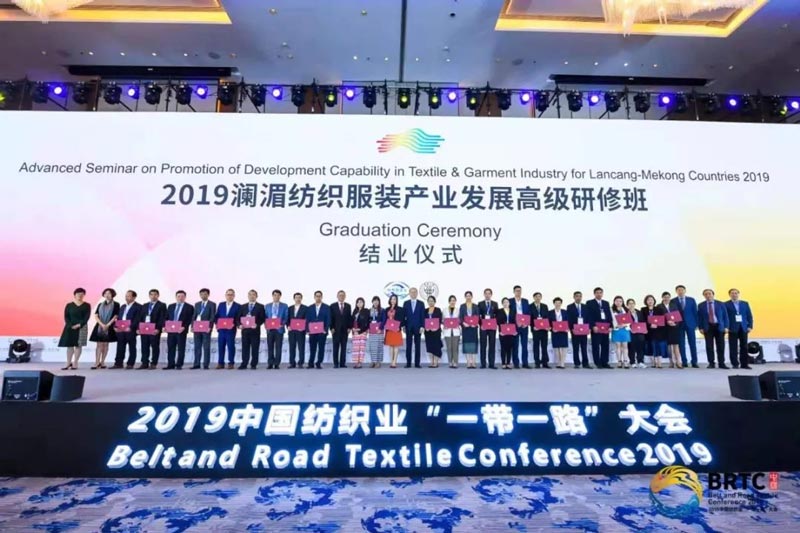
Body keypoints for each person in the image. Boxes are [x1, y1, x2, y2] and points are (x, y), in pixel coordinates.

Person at [58, 287, 91, 370]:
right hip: (70, 327)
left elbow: (86, 317)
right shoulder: (69, 305)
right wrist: (70, 325)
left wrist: (79, 325)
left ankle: (75, 362)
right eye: (78, 294)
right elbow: (66, 317)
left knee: (78, 345)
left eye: (82, 294)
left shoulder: (87, 305)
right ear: (75, 295)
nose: (80, 295)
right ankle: (68, 363)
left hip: (81, 327)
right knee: (69, 346)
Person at [697, 289, 729, 369]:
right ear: (704, 296)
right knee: (709, 346)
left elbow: (725, 316)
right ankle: (711, 363)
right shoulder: (701, 305)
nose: (708, 295)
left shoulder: (721, 304)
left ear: (713, 294)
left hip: (719, 326)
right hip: (708, 327)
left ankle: (721, 363)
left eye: (709, 294)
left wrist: (726, 326)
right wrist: (700, 327)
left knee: (721, 346)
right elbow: (699, 317)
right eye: (706, 294)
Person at [89, 288, 119, 369]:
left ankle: (102, 362)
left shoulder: (116, 304)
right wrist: (102, 324)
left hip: (110, 326)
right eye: (105, 293)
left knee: (106, 344)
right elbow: (96, 315)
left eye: (109, 293)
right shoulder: (100, 304)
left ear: (112, 294)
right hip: (99, 326)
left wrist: (108, 325)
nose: (107, 295)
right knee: (99, 344)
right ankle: (96, 362)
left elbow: (115, 316)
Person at [671, 285, 699, 368]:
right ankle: (684, 361)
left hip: (690, 324)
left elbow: (695, 312)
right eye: (679, 290)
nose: (680, 291)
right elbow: (672, 313)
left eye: (682, 290)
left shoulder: (691, 300)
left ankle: (694, 362)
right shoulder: (673, 301)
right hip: (679, 325)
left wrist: (697, 324)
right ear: (676, 291)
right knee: (681, 344)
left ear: (685, 291)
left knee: (692, 343)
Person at [138, 289, 167, 370]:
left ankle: (154, 363)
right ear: (149, 295)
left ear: (158, 295)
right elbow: (140, 317)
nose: (153, 296)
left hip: (154, 329)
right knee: (144, 346)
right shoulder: (145, 305)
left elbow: (162, 318)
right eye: (151, 294)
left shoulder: (162, 305)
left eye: (155, 294)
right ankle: (144, 363)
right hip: (144, 329)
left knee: (154, 346)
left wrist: (158, 329)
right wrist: (139, 328)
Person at [165, 290, 194, 369]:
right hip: (171, 330)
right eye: (178, 296)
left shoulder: (189, 307)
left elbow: (190, 319)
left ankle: (179, 364)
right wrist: (165, 326)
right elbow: (167, 317)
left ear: (185, 297)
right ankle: (170, 364)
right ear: (176, 297)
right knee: (171, 347)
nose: (180, 298)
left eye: (182, 296)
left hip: (181, 330)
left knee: (181, 348)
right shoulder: (171, 306)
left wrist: (184, 327)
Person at [112, 290, 141, 369]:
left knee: (132, 347)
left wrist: (131, 327)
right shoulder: (123, 306)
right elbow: (119, 318)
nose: (126, 297)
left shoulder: (138, 306)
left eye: (129, 296)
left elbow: (137, 319)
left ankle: (130, 364)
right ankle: (118, 363)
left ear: (134, 297)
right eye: (126, 296)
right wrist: (115, 326)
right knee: (120, 347)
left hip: (130, 330)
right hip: (121, 330)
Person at [726, 288, 753, 370]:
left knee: (744, 346)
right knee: (733, 347)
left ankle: (744, 364)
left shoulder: (745, 303)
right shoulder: (726, 304)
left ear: (738, 294)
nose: (734, 294)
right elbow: (725, 317)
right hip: (732, 328)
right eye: (732, 293)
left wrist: (750, 326)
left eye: (736, 293)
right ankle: (735, 364)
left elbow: (749, 316)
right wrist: (726, 327)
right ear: (729, 295)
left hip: (743, 327)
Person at [238, 290, 265, 369]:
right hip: (245, 331)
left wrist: (257, 324)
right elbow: (238, 318)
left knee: (255, 348)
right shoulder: (243, 306)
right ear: (248, 296)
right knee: (245, 348)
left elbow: (262, 318)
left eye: (253, 294)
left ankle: (254, 364)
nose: (251, 296)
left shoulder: (260, 306)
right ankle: (244, 364)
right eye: (250, 294)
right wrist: (239, 325)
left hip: (255, 331)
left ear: (256, 296)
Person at [587, 287, 612, 369]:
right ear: (594, 294)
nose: (599, 294)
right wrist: (592, 326)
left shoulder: (606, 303)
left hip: (605, 327)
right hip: (596, 327)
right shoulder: (590, 303)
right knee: (596, 345)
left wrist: (610, 326)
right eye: (597, 293)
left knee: (605, 345)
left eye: (600, 292)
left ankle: (605, 362)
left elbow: (609, 315)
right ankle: (597, 362)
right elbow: (589, 316)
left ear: (602, 294)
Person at [191, 288, 216, 370]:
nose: (203, 296)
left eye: (205, 294)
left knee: (206, 347)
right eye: (201, 294)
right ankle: (196, 364)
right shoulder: (197, 304)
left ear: (208, 295)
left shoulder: (212, 304)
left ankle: (206, 364)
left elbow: (212, 316)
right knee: (197, 346)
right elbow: (194, 316)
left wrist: (210, 327)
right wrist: (192, 326)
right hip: (197, 327)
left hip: (206, 328)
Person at [215, 289, 240, 369]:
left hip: (231, 329)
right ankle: (220, 363)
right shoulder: (221, 305)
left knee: (231, 346)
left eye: (231, 295)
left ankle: (231, 363)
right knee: (221, 346)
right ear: (225, 295)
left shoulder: (238, 306)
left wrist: (235, 324)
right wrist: (217, 324)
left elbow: (238, 318)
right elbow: (217, 316)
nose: (229, 296)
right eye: (228, 294)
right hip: (221, 329)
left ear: (234, 296)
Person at [307, 290, 330, 369]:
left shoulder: (326, 307)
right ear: (314, 297)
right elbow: (307, 320)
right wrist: (308, 330)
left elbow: (328, 319)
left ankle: (319, 363)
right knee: (312, 348)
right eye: (317, 296)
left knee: (321, 348)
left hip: (322, 332)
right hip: (312, 332)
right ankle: (310, 363)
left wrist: (325, 330)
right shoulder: (310, 307)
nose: (318, 297)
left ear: (322, 297)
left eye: (319, 296)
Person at [402, 287, 425, 368]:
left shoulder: (421, 303)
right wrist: (403, 326)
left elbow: (422, 316)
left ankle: (417, 363)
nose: (413, 293)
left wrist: (422, 326)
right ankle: (408, 363)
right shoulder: (406, 303)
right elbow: (404, 316)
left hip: (418, 327)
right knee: (408, 346)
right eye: (411, 292)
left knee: (417, 346)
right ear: (409, 293)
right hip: (408, 327)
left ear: (417, 293)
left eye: (415, 292)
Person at [266, 290, 289, 369]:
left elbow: (286, 317)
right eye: (275, 295)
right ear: (272, 296)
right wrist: (266, 325)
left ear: (280, 296)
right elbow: (265, 317)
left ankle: (276, 363)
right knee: (270, 347)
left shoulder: (284, 306)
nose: (276, 296)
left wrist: (282, 324)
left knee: (278, 347)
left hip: (279, 329)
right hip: (270, 329)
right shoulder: (267, 306)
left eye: (278, 295)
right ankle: (270, 363)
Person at [642, 294, 666, 368]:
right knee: (650, 347)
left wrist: (657, 325)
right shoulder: (643, 309)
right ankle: (654, 362)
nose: (650, 301)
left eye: (651, 300)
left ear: (654, 301)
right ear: (646, 301)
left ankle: (659, 363)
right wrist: (650, 325)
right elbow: (642, 320)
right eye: (648, 300)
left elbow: (663, 319)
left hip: (658, 330)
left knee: (658, 346)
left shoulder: (659, 309)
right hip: (648, 331)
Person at [330, 290, 352, 369]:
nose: (341, 297)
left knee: (344, 347)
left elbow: (349, 318)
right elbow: (331, 318)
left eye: (343, 295)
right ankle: (335, 363)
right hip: (335, 330)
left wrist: (349, 327)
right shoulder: (332, 306)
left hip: (345, 330)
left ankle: (342, 363)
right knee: (335, 347)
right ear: (337, 296)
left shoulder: (348, 306)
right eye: (340, 295)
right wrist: (331, 327)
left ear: (345, 296)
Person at [567, 291, 590, 368]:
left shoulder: (585, 306)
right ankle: (576, 363)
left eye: (580, 296)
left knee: (584, 347)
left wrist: (589, 328)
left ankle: (585, 363)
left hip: (584, 329)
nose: (578, 298)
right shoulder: (570, 307)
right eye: (577, 296)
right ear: (574, 297)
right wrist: (571, 329)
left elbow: (588, 318)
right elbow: (569, 319)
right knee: (575, 347)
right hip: (575, 329)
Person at [510, 286, 530, 368]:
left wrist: (526, 323)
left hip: (524, 326)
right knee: (515, 345)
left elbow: (528, 313)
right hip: (515, 326)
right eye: (517, 291)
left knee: (524, 345)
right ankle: (516, 363)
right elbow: (510, 314)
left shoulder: (525, 301)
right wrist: (516, 322)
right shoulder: (510, 301)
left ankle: (525, 363)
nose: (518, 292)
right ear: (514, 292)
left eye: (520, 291)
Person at [478, 288, 498, 369]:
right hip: (483, 327)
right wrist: (480, 324)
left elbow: (497, 315)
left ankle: (491, 364)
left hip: (492, 327)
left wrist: (495, 324)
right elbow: (478, 316)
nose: (487, 295)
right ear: (484, 294)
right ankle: (483, 364)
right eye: (486, 293)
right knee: (483, 345)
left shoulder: (495, 304)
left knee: (492, 345)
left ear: (491, 295)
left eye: (489, 293)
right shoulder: (480, 304)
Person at [459, 291, 479, 369]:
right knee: (467, 344)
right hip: (466, 328)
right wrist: (463, 323)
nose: (468, 297)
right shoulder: (462, 306)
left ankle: (473, 362)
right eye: (467, 296)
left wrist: (476, 323)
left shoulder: (475, 306)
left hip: (473, 328)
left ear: (472, 297)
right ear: (465, 297)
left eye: (469, 296)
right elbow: (460, 317)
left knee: (473, 344)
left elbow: (478, 316)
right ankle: (468, 362)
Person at [530, 292, 550, 369]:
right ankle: (537, 363)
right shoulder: (530, 306)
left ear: (541, 297)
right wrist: (533, 326)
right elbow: (529, 318)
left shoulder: (545, 306)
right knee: (536, 346)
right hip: (536, 330)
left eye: (539, 296)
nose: (538, 298)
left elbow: (547, 317)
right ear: (534, 298)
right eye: (536, 296)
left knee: (544, 346)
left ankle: (545, 363)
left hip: (544, 330)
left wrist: (548, 326)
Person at [288, 292, 308, 369]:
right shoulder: (290, 308)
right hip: (292, 331)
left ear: (301, 298)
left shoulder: (305, 308)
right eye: (296, 297)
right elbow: (287, 319)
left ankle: (300, 363)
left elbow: (307, 319)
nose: (298, 299)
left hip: (301, 331)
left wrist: (304, 327)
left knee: (301, 347)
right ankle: (292, 363)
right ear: (294, 298)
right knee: (292, 347)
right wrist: (288, 326)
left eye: (299, 297)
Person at [663, 291, 682, 369]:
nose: (666, 298)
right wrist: (667, 322)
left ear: (670, 298)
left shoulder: (674, 305)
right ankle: (671, 362)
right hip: (666, 328)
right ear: (662, 298)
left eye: (668, 297)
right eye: (665, 297)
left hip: (674, 327)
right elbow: (659, 318)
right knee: (669, 346)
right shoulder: (659, 306)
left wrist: (675, 323)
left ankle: (678, 362)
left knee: (676, 345)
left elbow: (678, 316)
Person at [610, 295, 631, 368]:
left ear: (622, 302)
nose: (618, 302)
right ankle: (619, 361)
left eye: (620, 301)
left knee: (625, 346)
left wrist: (625, 324)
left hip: (625, 329)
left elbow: (630, 320)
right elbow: (610, 320)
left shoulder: (626, 310)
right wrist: (616, 325)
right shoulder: (611, 310)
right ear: (614, 302)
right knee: (618, 346)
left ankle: (625, 361)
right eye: (617, 301)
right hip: (616, 329)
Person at [383, 294, 404, 368]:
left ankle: (394, 362)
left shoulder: (400, 309)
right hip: (389, 330)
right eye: (392, 299)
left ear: (396, 300)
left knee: (396, 346)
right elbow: (385, 319)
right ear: (390, 300)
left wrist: (399, 326)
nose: (393, 300)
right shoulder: (386, 309)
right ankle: (391, 361)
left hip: (396, 329)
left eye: (394, 299)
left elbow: (402, 320)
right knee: (391, 346)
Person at [496, 297, 517, 369]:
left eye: (507, 302)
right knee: (503, 348)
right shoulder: (499, 311)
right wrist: (500, 331)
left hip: (511, 332)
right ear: (502, 303)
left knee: (509, 348)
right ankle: (503, 363)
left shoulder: (513, 311)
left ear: (509, 303)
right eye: (504, 302)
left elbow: (515, 321)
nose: (505, 303)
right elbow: (498, 322)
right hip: (503, 332)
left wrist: (514, 331)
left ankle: (508, 363)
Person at [423, 295, 443, 368]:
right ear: (427, 302)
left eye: (432, 301)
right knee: (430, 347)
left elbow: (440, 320)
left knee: (436, 346)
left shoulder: (438, 310)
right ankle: (431, 362)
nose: (430, 302)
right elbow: (423, 320)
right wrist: (426, 327)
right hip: (428, 332)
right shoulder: (425, 310)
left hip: (436, 331)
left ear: (435, 302)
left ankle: (436, 362)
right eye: (429, 301)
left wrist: (435, 327)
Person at [627, 298, 646, 369]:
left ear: (634, 304)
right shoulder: (626, 313)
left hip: (640, 331)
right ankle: (632, 362)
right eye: (629, 304)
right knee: (631, 347)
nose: (631, 305)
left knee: (640, 347)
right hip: (631, 332)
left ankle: (640, 361)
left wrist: (644, 329)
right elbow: (625, 323)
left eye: (632, 303)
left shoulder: (639, 312)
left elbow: (643, 321)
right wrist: (630, 329)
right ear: (627, 305)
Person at [549, 297, 568, 368]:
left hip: (564, 331)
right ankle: (558, 362)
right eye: (556, 303)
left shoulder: (565, 311)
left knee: (564, 346)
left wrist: (568, 328)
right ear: (554, 303)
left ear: (561, 304)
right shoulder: (550, 312)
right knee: (556, 347)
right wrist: (551, 329)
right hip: (555, 331)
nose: (558, 304)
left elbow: (568, 321)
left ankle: (562, 363)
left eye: (559, 303)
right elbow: (548, 322)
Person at [351, 297, 370, 368]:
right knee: (356, 348)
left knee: (361, 348)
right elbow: (351, 321)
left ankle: (360, 363)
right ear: (356, 303)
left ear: (363, 303)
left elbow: (367, 322)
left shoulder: (366, 311)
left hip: (362, 332)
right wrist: (352, 328)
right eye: (358, 302)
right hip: (355, 332)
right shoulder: (354, 311)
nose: (359, 303)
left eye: (361, 302)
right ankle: (356, 362)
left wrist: (360, 329)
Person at [443, 295, 460, 368]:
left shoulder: (458, 310)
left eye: (454, 300)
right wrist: (444, 324)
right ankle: (450, 362)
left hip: (456, 330)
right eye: (451, 300)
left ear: (455, 301)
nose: (452, 302)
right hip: (447, 331)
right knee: (449, 348)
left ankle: (455, 362)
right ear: (449, 302)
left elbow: (460, 320)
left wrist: (458, 323)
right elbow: (442, 320)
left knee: (455, 348)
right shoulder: (444, 310)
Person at [367, 296, 385, 368]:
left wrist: (380, 328)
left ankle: (378, 362)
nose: (376, 302)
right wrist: (368, 328)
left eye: (377, 300)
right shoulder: (369, 310)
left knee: (379, 347)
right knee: (372, 347)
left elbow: (384, 320)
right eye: (374, 300)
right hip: (372, 331)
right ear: (372, 302)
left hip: (379, 331)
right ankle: (373, 361)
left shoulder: (382, 310)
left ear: (379, 302)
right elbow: (367, 320)